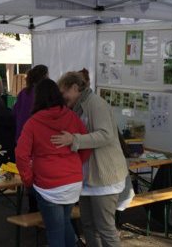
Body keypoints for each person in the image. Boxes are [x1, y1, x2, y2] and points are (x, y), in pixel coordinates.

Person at [53, 72, 129, 247]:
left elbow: (106, 135)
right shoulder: (78, 107)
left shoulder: (95, 104)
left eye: (64, 92)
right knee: (88, 226)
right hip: (89, 178)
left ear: (74, 88)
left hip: (104, 178)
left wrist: (74, 139)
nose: (63, 98)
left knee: (105, 229)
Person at [15, 79, 90, 247]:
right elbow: (86, 145)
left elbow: (21, 154)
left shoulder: (33, 122)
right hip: (73, 182)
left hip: (48, 185)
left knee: (55, 232)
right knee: (63, 223)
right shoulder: (71, 116)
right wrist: (76, 164)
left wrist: (28, 180)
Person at [13, 65, 48, 142]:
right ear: (44, 77)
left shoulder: (23, 93)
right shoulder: (44, 93)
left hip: (22, 135)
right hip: (37, 136)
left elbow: (15, 113)